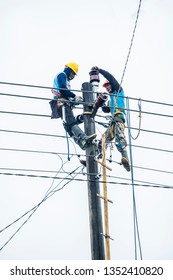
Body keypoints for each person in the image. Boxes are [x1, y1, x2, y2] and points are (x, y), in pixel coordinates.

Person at [90, 66, 130, 172]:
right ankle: (97, 156)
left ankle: (125, 158)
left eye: (108, 86)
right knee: (103, 140)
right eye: (106, 87)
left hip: (119, 119)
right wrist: (100, 100)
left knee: (119, 138)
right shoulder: (111, 99)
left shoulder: (118, 90)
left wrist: (100, 71)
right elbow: (105, 110)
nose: (107, 88)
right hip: (113, 122)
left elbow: (110, 77)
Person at [49, 62, 96, 150]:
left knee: (68, 126)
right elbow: (63, 90)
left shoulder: (66, 80)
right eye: (73, 73)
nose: (73, 76)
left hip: (64, 103)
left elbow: (66, 93)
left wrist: (74, 100)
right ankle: (83, 138)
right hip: (61, 103)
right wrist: (74, 96)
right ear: (69, 70)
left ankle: (81, 143)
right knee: (71, 122)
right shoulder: (62, 75)